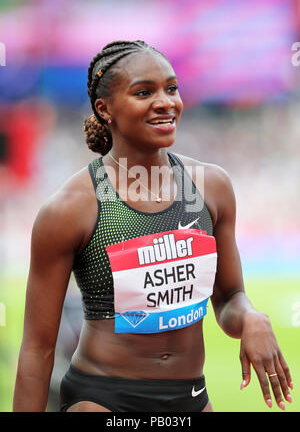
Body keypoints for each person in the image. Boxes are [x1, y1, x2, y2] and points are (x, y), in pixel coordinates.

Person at [13, 40, 293, 413]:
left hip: (190, 397)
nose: (165, 102)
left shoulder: (212, 187)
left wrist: (251, 317)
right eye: (144, 92)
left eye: (171, 88)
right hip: (103, 398)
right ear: (105, 109)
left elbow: (228, 299)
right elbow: (37, 348)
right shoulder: (71, 208)